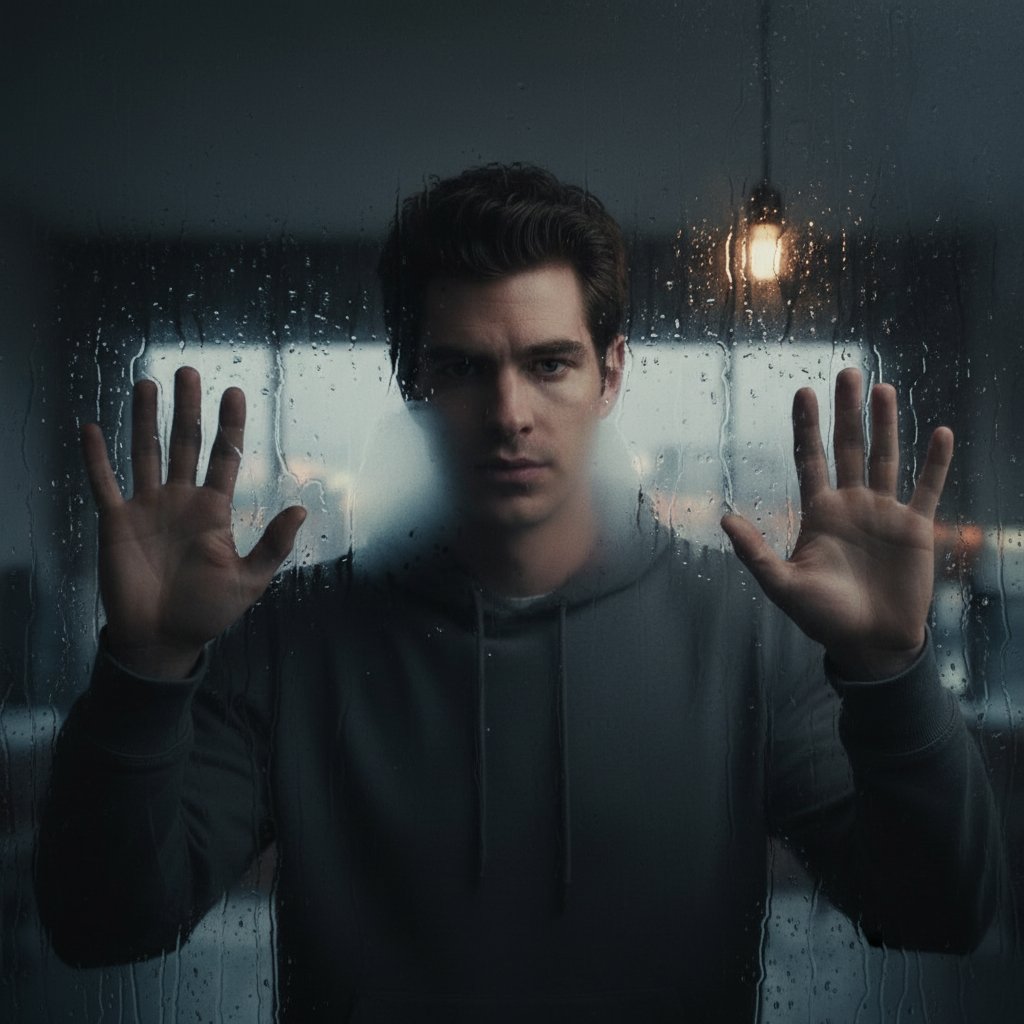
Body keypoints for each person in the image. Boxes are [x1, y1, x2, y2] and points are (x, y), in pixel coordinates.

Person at [36, 164, 1000, 1023]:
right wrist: (146, 669)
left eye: (549, 362)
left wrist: (890, 671)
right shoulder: (293, 638)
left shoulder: (749, 635)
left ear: (610, 373)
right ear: (411, 382)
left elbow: (940, 915)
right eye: (462, 368)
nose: (508, 414)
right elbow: (105, 926)